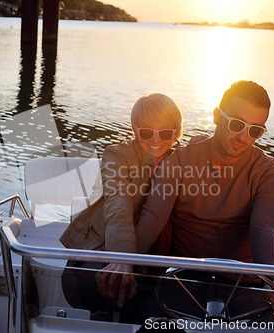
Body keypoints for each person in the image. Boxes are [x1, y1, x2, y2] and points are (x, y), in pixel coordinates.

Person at [97, 80, 274, 321]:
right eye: (236, 124)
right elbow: (153, 217)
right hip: (182, 277)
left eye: (255, 130)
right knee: (147, 322)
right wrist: (126, 261)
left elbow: (264, 229)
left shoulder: (270, 174)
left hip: (245, 283)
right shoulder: (178, 162)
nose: (243, 137)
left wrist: (272, 282)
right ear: (216, 116)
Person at [59, 93, 184, 316]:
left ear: (176, 132)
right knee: (112, 285)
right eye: (146, 132)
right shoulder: (117, 155)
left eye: (165, 133)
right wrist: (123, 260)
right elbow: (118, 205)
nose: (155, 140)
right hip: (104, 249)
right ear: (134, 128)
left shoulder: (182, 160)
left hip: (155, 259)